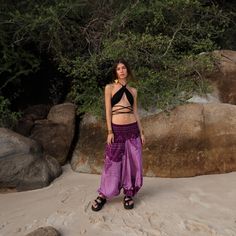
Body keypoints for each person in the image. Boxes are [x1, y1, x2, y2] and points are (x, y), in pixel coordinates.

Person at [91, 59, 145, 211]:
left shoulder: (134, 91)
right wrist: (109, 131)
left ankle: (128, 193)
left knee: (133, 163)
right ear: (115, 72)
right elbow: (108, 111)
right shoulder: (109, 88)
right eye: (118, 68)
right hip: (116, 130)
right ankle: (104, 194)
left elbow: (135, 111)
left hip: (132, 129)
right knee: (112, 163)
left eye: (124, 68)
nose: (121, 70)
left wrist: (141, 132)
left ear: (127, 70)